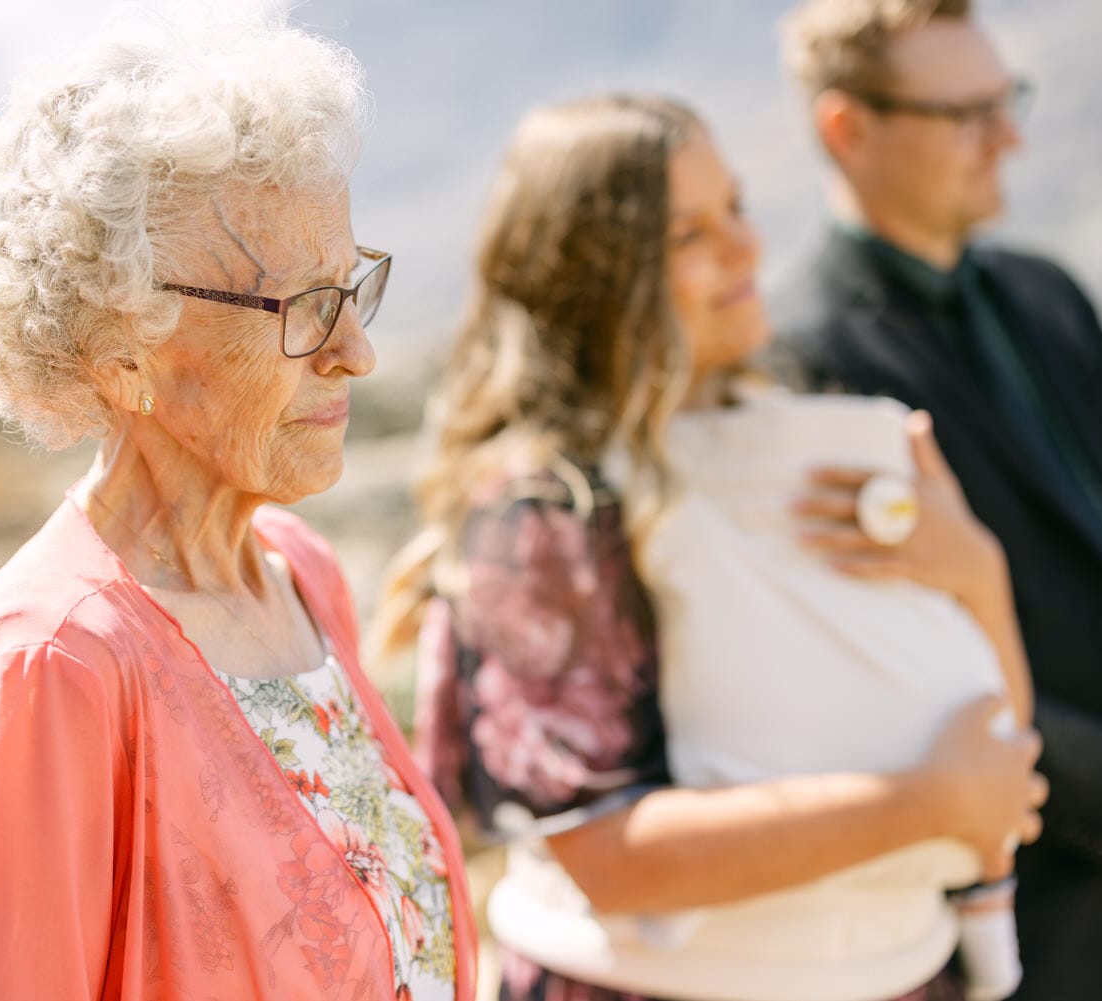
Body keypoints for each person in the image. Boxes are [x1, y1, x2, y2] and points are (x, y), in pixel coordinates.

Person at [376, 94, 1044, 1001]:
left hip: (895, 971)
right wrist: (926, 805)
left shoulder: (800, 443)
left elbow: (996, 757)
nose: (746, 248)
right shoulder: (545, 517)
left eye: (735, 207)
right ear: (599, 278)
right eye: (688, 234)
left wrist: (979, 577)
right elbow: (609, 856)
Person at [0, 13, 474, 1001]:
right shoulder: (56, 651)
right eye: (302, 306)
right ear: (122, 356)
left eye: (350, 287)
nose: (358, 350)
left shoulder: (302, 571)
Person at [771, 2, 1102, 998]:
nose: (1012, 137)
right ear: (846, 130)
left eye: (1008, 102)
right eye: (968, 114)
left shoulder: (1049, 290)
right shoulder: (803, 355)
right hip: (1039, 903)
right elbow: (889, 669)